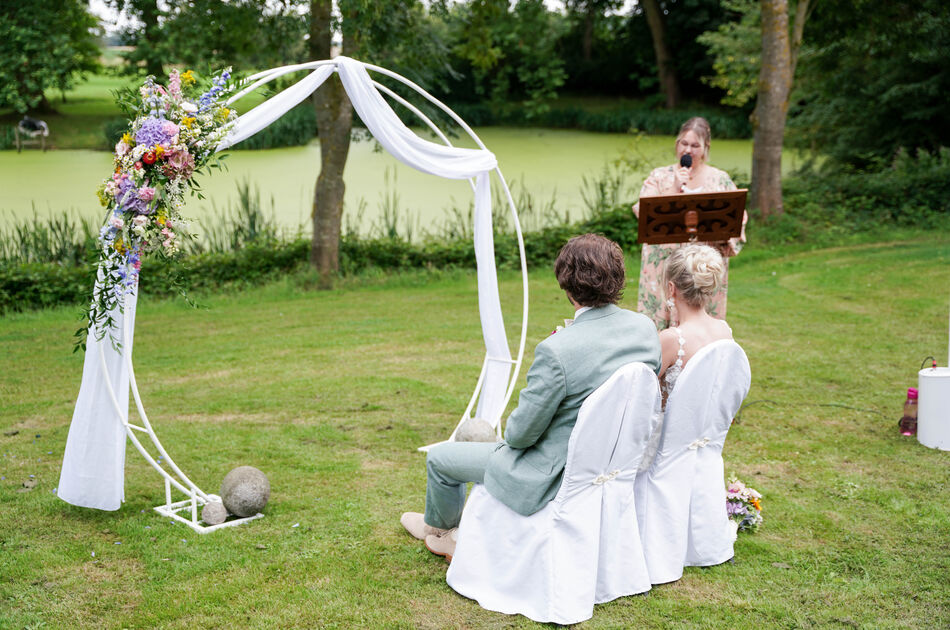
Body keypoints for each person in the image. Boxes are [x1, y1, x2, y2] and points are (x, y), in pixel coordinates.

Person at [401, 233, 661, 560]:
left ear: (567, 285)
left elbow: (519, 436)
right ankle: (446, 527)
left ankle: (440, 531)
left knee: (440, 458)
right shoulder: (644, 330)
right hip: (615, 460)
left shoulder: (558, 350)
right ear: (618, 277)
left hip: (554, 471)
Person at [632, 117, 746, 330]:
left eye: (695, 145)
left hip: (702, 268)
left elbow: (738, 217)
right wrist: (674, 188)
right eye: (684, 143)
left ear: (705, 148)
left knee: (700, 328)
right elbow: (644, 211)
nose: (688, 150)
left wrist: (722, 233)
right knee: (658, 328)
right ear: (677, 144)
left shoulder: (720, 179)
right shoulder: (659, 176)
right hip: (664, 264)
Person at [638, 243, 734, 473]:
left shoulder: (671, 339)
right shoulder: (725, 331)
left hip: (666, 452)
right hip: (706, 443)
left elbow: (639, 392)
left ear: (671, 288)